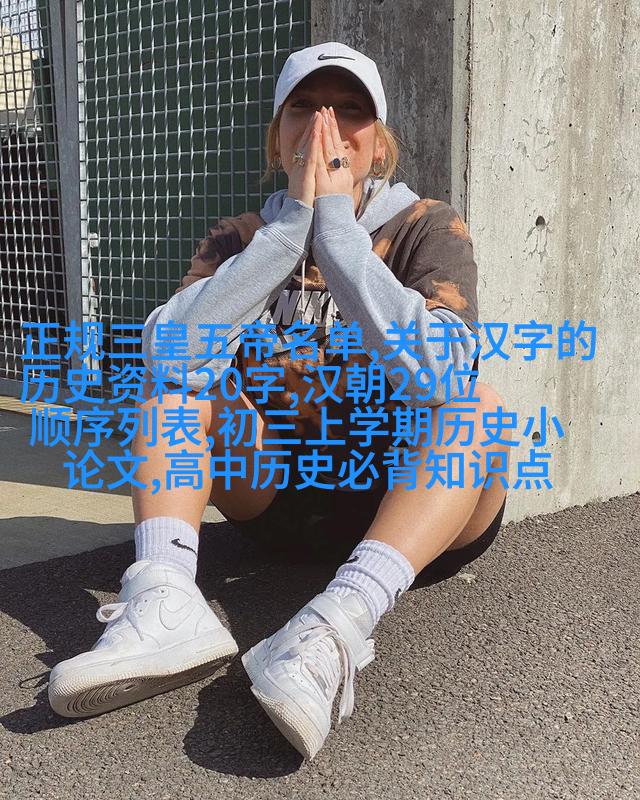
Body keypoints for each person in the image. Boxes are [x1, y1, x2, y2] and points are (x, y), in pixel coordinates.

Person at [48, 41, 511, 760]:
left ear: (379, 144)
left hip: (414, 510)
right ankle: (165, 602)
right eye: (306, 108)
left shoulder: (426, 225)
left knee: (475, 399)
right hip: (278, 498)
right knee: (173, 385)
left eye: (350, 110)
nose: (328, 127)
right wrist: (290, 231)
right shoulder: (241, 237)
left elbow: (443, 373)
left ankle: (335, 626)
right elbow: (170, 355)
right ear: (277, 137)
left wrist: (339, 235)